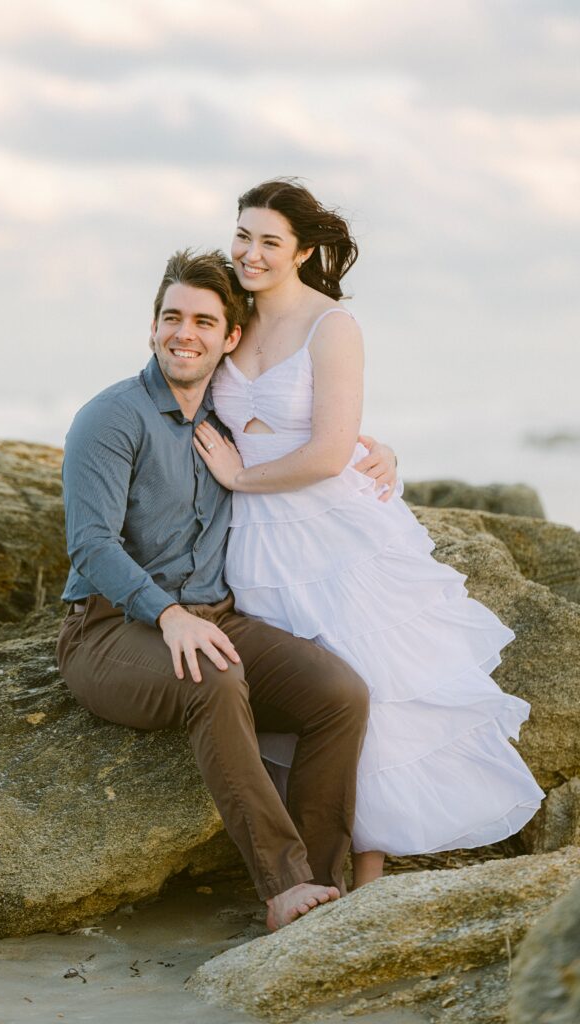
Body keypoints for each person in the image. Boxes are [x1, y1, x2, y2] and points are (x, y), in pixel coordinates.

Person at [194, 178, 545, 888]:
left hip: (331, 533)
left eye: (269, 241)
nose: (250, 253)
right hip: (253, 540)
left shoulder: (333, 326)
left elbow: (328, 453)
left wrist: (242, 479)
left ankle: (370, 870)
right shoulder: (230, 316)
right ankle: (303, 866)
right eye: (243, 236)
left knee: (370, 687)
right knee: (297, 693)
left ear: (303, 251)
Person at [56, 249, 399, 929]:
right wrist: (168, 615)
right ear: (152, 326)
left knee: (341, 694)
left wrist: (380, 452)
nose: (185, 333)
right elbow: (90, 544)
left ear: (229, 337)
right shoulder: (110, 417)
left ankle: (323, 885)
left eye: (203, 322)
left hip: (217, 617)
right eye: (172, 317)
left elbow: (315, 437)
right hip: (108, 630)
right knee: (212, 680)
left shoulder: (225, 413)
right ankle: (283, 885)